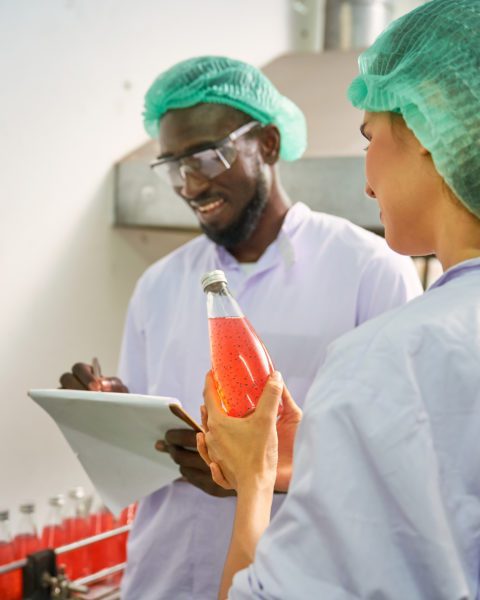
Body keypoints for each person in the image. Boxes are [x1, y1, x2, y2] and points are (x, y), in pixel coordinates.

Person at [60, 56, 422, 599]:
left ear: (268, 145)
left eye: (205, 156)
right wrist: (110, 409)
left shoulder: (368, 270)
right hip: (160, 580)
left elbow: (399, 463)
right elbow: (144, 446)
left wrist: (255, 473)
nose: (188, 184)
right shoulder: (158, 285)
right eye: (172, 165)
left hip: (295, 585)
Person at [198, 2, 480, 598]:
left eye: (368, 136)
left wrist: (253, 478)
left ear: (433, 128)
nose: (366, 176)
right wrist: (314, 459)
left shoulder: (386, 360)